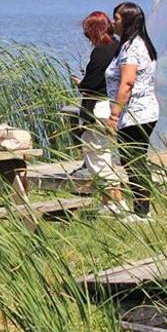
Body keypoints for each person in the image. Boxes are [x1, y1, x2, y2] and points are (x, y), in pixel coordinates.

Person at [105, 2, 159, 223]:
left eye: (116, 18)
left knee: (133, 161)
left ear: (127, 21)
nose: (113, 22)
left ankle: (142, 211)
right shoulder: (135, 43)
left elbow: (127, 82)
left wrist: (114, 115)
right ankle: (141, 207)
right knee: (133, 160)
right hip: (143, 111)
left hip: (135, 113)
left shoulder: (132, 48)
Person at [70, 12, 126, 215]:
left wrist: (80, 83)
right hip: (113, 107)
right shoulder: (119, 46)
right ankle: (109, 202)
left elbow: (91, 85)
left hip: (98, 108)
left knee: (97, 157)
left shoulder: (100, 51)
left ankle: (115, 204)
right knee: (106, 155)